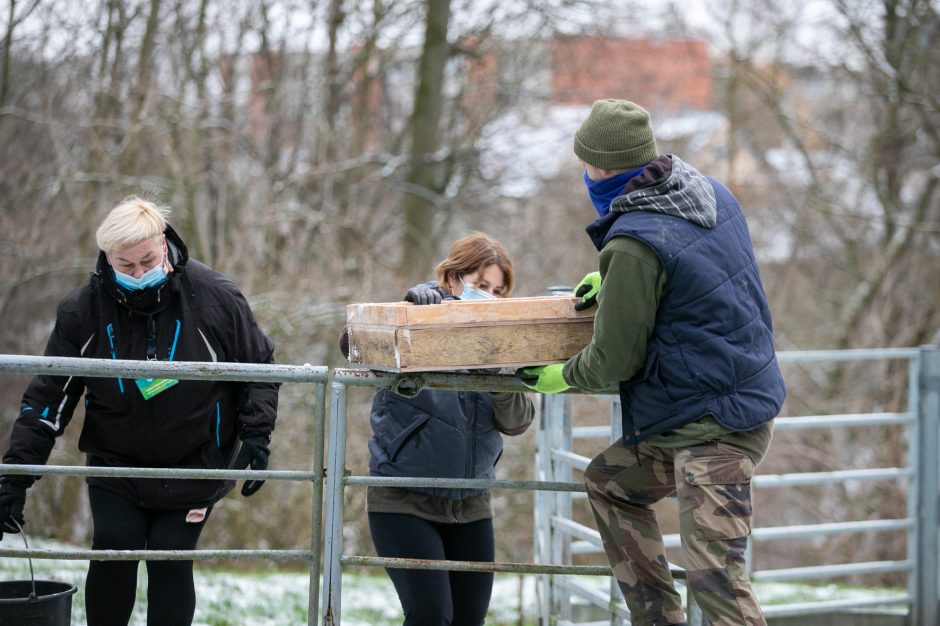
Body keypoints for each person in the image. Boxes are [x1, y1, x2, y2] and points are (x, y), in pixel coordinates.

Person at [519, 100, 786, 626]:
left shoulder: (635, 240)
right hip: (706, 408)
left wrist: (560, 377)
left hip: (716, 429)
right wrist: (618, 287)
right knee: (610, 482)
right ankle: (659, 618)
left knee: (717, 582)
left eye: (588, 167)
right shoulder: (707, 192)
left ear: (604, 169)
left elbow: (614, 358)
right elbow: (698, 278)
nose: (585, 177)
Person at [0, 197, 279, 625]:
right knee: (114, 548)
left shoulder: (215, 297)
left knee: (170, 557)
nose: (138, 273)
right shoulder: (82, 310)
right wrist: (16, 474)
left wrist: (257, 435)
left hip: (195, 459)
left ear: (164, 245)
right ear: (106, 258)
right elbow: (48, 395)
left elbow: (258, 366)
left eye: (147, 260)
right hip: (116, 462)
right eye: (124, 265)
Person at [342, 232, 534, 626]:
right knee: (431, 616)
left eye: (498, 291)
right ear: (452, 280)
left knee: (469, 621)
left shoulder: (505, 341)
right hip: (404, 501)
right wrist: (409, 310)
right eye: (481, 286)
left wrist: (499, 369)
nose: (489, 297)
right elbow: (352, 342)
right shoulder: (417, 323)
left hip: (472, 504)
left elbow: (518, 422)